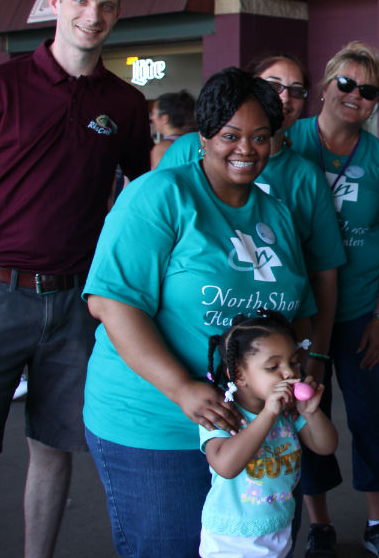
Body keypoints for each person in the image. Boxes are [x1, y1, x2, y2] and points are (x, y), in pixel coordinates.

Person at [0, 0, 150, 558]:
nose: (92, 15)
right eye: (81, 1)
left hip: (74, 302)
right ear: (55, 3)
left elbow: (140, 199)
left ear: (117, 15)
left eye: (106, 5)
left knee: (54, 449)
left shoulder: (123, 103)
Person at [82, 67, 314, 558]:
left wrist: (302, 374)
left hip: (253, 431)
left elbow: (300, 315)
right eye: (230, 135)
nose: (246, 149)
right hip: (154, 424)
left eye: (260, 137)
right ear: (204, 135)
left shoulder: (276, 215)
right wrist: (182, 388)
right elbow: (112, 304)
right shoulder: (159, 195)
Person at [286, 42, 379, 558]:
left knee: (371, 417)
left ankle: (378, 523)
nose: (354, 96)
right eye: (345, 83)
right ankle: (318, 524)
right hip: (297, 314)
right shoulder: (285, 142)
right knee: (306, 414)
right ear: (325, 85)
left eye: (368, 91)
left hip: (360, 311)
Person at [159, 53, 345, 395]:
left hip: (267, 390)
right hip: (173, 399)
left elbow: (315, 283)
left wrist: (310, 353)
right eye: (273, 86)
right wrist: (181, 387)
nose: (284, 97)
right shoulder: (168, 183)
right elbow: (117, 300)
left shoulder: (285, 204)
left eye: (296, 90)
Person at [200, 309, 337, 558]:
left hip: (278, 529)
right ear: (239, 375)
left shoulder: (288, 412)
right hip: (231, 540)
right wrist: (267, 415)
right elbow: (225, 466)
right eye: (273, 366)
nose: (289, 373)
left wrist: (311, 413)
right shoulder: (223, 414)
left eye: (293, 362)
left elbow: (326, 446)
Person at [150, 89, 197, 168]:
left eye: (154, 113)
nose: (152, 118)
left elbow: (161, 179)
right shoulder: (197, 141)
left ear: (165, 118)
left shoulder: (162, 149)